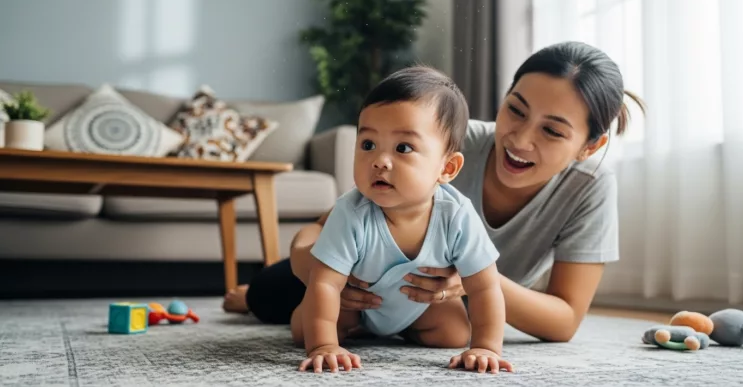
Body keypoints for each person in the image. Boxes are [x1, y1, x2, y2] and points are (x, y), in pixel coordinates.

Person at [224, 40, 645, 346]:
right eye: (515, 109)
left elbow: (565, 319)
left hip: (446, 304)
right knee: (269, 294)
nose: (519, 139)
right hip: (359, 271)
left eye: (552, 131)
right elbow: (322, 228)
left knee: (450, 330)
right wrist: (311, 268)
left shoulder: (588, 188)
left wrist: (472, 279)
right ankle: (250, 296)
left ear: (589, 146)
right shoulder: (445, 142)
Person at [292, 66, 513, 374]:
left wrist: (486, 347)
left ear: (447, 168)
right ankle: (351, 330)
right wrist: (323, 345)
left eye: (403, 148)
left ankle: (407, 329)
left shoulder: (457, 215)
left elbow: (485, 287)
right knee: (304, 328)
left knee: (454, 334)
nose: (380, 161)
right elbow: (326, 284)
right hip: (353, 304)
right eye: (368, 144)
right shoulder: (351, 212)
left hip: (416, 308)